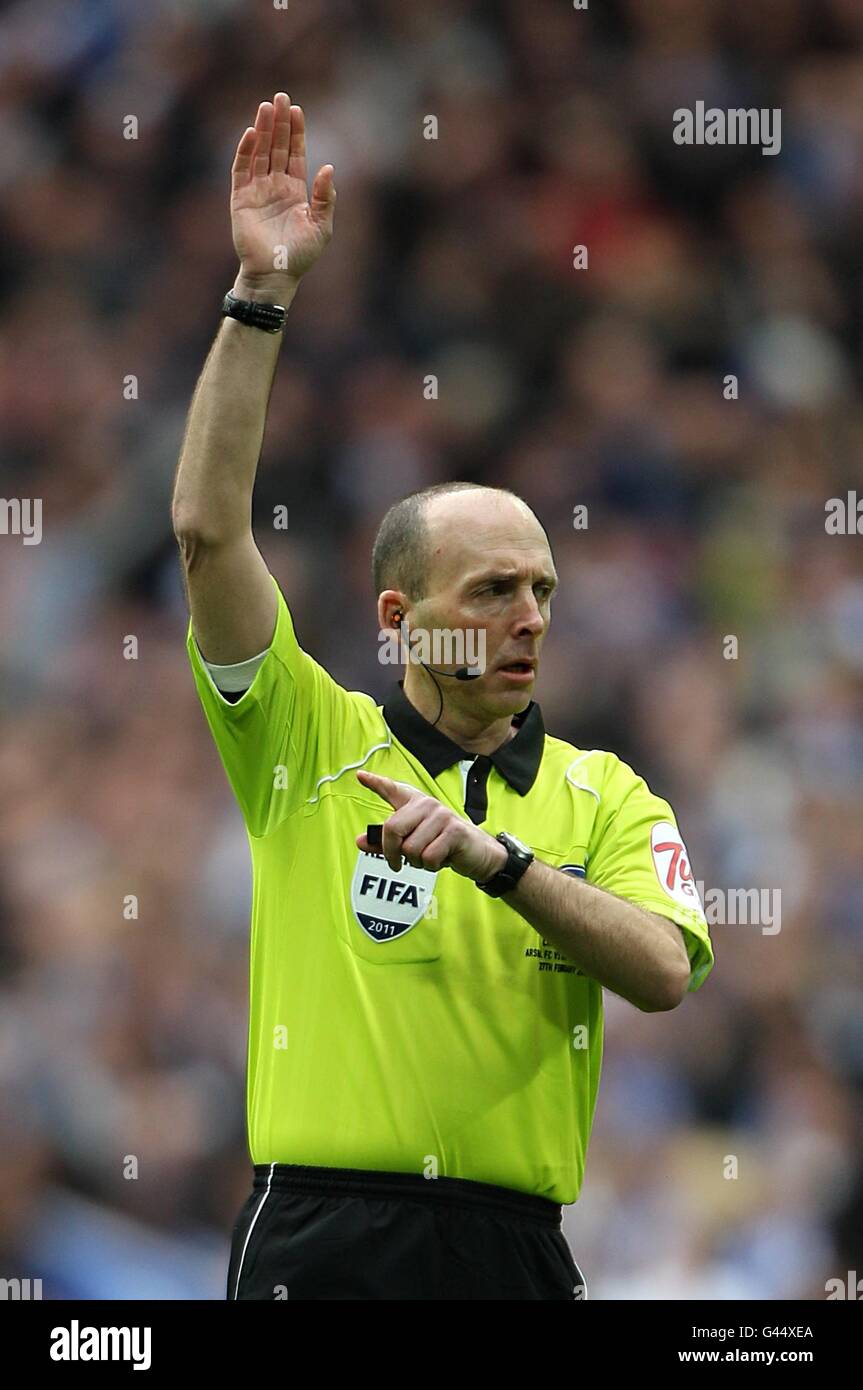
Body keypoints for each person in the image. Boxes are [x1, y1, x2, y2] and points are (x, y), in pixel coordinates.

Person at [171, 93, 714, 1301]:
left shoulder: (603, 792)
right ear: (395, 618)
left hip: (510, 1249)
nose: (526, 617)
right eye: (488, 591)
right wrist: (261, 294)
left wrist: (497, 862)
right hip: (320, 1239)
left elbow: (665, 970)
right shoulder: (304, 737)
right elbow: (209, 533)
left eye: (541, 589)